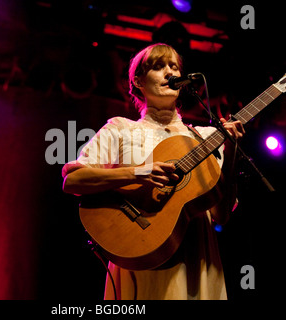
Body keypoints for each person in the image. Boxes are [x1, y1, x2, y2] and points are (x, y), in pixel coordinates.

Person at [61, 43, 245, 300]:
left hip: (195, 260)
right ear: (138, 81)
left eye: (174, 67)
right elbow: (73, 179)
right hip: (139, 251)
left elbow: (221, 215)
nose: (169, 73)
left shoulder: (205, 138)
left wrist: (231, 152)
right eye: (159, 66)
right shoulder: (120, 129)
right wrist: (138, 173)